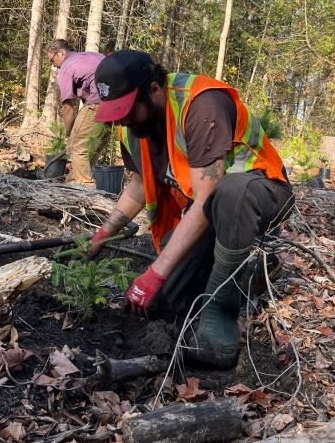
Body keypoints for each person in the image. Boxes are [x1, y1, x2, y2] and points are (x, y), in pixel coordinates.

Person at [87, 50, 295, 370]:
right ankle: (250, 273)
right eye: (116, 112)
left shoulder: (201, 104)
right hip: (209, 212)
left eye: (127, 110)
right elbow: (141, 183)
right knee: (159, 303)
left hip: (261, 194)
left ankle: (219, 319)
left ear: (154, 89)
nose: (122, 119)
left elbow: (207, 197)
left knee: (231, 191)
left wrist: (155, 272)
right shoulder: (131, 123)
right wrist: (105, 231)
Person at [46, 39, 105, 185]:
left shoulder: (66, 68)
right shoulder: (90, 55)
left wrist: (69, 133)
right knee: (92, 148)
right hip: (116, 105)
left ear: (61, 53)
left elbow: (68, 107)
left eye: (52, 60)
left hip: (96, 104)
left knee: (77, 148)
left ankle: (87, 190)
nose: (53, 65)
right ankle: (72, 182)